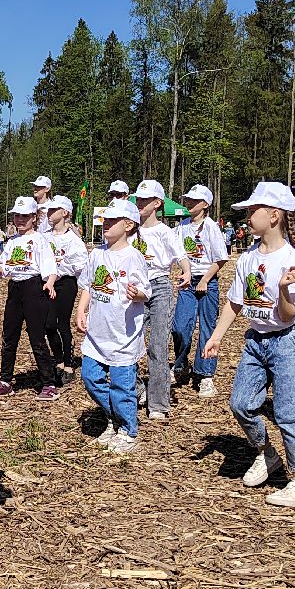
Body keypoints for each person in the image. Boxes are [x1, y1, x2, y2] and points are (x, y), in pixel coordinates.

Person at [204, 182, 295, 508]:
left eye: (254, 211)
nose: (248, 216)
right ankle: (267, 454)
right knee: (240, 403)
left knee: (288, 414)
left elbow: (289, 314)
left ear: (275, 215)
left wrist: (282, 289)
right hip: (256, 341)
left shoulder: (290, 260)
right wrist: (215, 336)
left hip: (288, 342)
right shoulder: (248, 257)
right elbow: (235, 303)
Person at [75, 197, 149, 453]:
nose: (106, 224)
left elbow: (145, 292)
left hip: (123, 336)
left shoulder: (133, 257)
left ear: (128, 225)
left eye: (112, 220)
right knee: (90, 377)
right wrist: (81, 309)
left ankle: (128, 430)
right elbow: (87, 285)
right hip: (97, 334)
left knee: (122, 386)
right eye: (105, 220)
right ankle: (113, 416)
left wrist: (136, 294)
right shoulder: (96, 254)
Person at [0, 196, 59, 400]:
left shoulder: (40, 240)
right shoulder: (11, 242)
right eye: (17, 215)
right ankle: (5, 381)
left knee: (37, 337)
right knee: (9, 336)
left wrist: (50, 282)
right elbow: (1, 269)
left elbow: (49, 267)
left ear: (34, 218)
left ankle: (49, 383)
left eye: (25, 216)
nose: (20, 219)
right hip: (15, 289)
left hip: (33, 287)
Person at [132, 180, 188, 421]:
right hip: (134, 290)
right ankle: (135, 390)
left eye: (145, 200)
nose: (140, 203)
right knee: (128, 344)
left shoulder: (166, 232)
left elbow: (181, 256)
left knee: (157, 346)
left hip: (160, 287)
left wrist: (186, 271)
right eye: (138, 199)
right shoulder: (130, 228)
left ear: (157, 203)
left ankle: (158, 404)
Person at [172, 184, 229, 397]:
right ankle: (180, 363)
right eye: (187, 199)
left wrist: (205, 279)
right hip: (187, 283)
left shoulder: (211, 227)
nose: (189, 203)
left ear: (205, 205)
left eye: (194, 201)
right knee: (179, 326)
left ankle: (205, 375)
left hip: (208, 282)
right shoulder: (182, 226)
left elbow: (221, 258)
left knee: (207, 328)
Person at [44, 195, 88, 383]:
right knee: (48, 324)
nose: (49, 213)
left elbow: (80, 264)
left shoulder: (73, 239)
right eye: (48, 210)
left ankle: (68, 364)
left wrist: (59, 268)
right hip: (47, 283)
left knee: (62, 323)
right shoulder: (44, 237)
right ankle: (59, 358)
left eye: (54, 210)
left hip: (66, 283)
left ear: (65, 213)